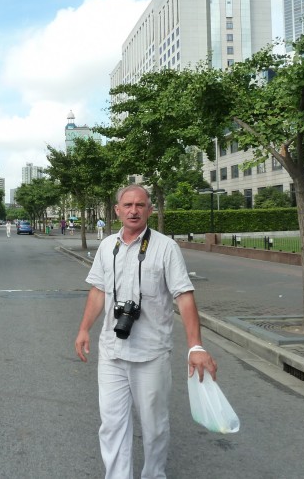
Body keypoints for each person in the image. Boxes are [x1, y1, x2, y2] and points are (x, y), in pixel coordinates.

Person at [74, 184, 217, 479]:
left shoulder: (166, 248)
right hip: (112, 350)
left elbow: (184, 296)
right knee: (112, 424)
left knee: (154, 427)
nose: (133, 210)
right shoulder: (106, 247)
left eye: (140, 205)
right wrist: (84, 329)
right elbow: (98, 290)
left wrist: (196, 346)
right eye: (127, 205)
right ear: (117, 210)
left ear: (150, 209)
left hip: (151, 353)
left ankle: (154, 474)